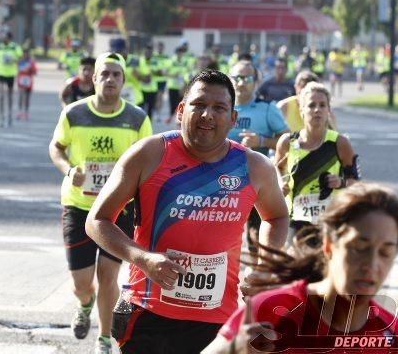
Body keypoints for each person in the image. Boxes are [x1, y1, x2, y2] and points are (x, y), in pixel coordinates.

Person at [85, 69, 289, 354]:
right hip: (147, 314)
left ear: (232, 119)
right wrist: (142, 258)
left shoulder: (254, 167)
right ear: (181, 110)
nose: (208, 115)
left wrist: (265, 266)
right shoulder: (150, 153)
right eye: (199, 105)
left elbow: (277, 216)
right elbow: (96, 220)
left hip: (216, 319)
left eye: (219, 108)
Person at [203, 182, 398, 353]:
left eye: (385, 252)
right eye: (359, 247)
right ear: (328, 245)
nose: (372, 265)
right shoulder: (270, 311)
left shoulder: (395, 339)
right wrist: (233, 350)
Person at [48, 52, 152, 354]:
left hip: (117, 210)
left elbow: (149, 161)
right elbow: (56, 147)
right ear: (93, 79)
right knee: (82, 283)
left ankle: (105, 339)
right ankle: (84, 303)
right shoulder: (74, 113)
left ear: (123, 80)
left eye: (116, 75)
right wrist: (69, 170)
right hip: (78, 206)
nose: (110, 79)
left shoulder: (137, 118)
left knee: (109, 276)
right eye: (104, 74)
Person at [275, 82, 359, 241]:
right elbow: (276, 169)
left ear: (328, 110)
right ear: (301, 110)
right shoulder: (287, 142)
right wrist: (280, 183)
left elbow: (356, 183)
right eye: (311, 105)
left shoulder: (340, 143)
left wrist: (340, 182)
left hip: (329, 220)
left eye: (322, 105)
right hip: (295, 219)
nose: (317, 110)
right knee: (297, 263)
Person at [228, 60, 290, 261]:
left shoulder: (267, 108)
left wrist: (261, 140)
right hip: (222, 180)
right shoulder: (221, 107)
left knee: (256, 232)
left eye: (246, 78)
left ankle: (255, 277)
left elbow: (288, 142)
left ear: (256, 82)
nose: (241, 82)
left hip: (256, 180)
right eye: (236, 77)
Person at [0, 32, 22, 127]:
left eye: (5, 37)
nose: (3, 38)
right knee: (1, 95)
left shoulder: (15, 47)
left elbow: (20, 58)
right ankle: (1, 117)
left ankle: (9, 115)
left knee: (10, 96)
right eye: (3, 37)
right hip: (1, 72)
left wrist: (12, 59)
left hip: (10, 73)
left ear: (9, 38)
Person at [16, 49, 37, 121]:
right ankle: (19, 112)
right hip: (21, 80)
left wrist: (31, 70)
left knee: (27, 98)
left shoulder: (31, 62)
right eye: (24, 54)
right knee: (21, 96)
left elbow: (35, 72)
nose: (25, 55)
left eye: (26, 54)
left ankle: (26, 112)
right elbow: (17, 69)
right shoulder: (20, 61)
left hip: (28, 81)